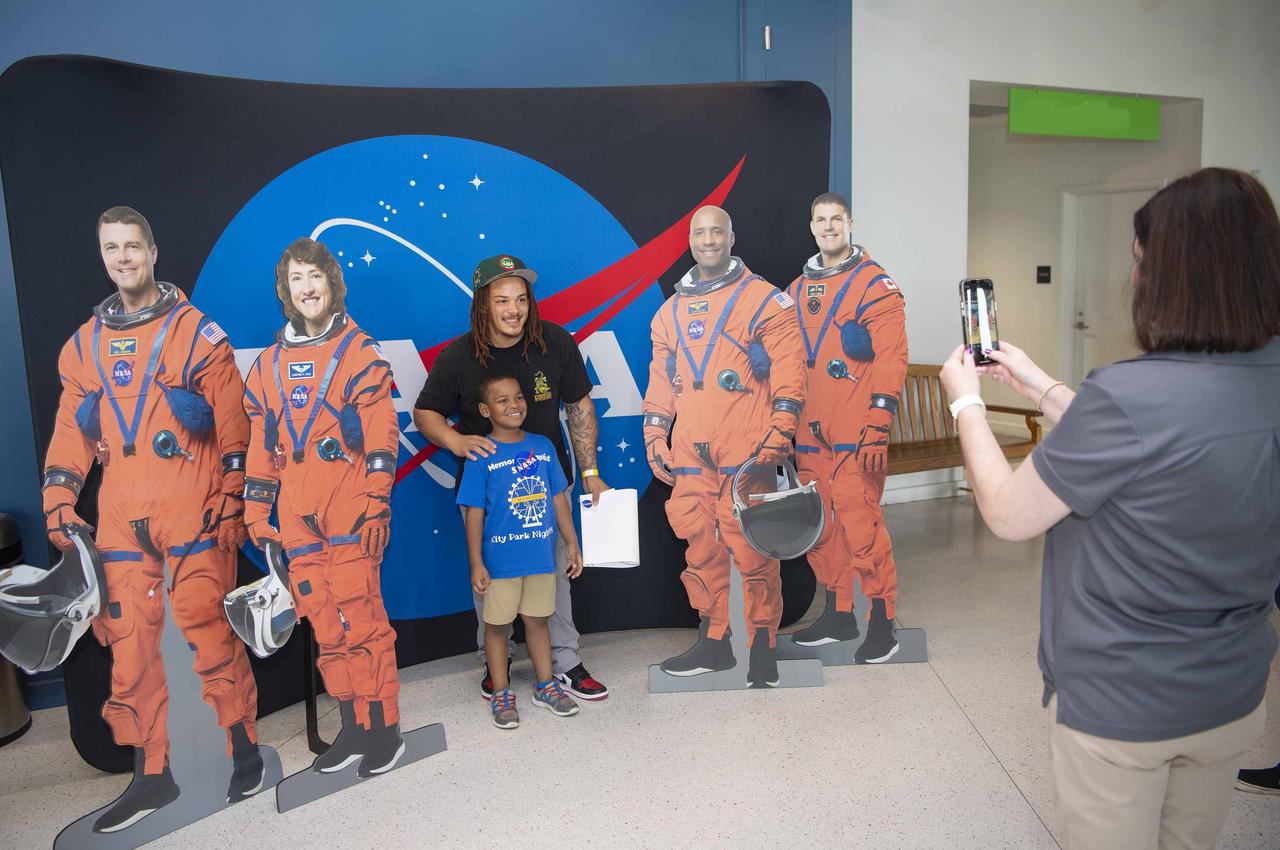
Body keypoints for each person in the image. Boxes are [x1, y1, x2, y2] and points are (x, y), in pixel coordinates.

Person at [939, 167, 1280, 849]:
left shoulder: (1128, 396)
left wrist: (966, 402)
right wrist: (1040, 384)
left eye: (1139, 262)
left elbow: (1009, 514)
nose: (1132, 281)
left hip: (1123, 705)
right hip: (1232, 692)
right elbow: (1162, 446)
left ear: (1175, 275)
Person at [42, 206, 262, 832]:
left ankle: (240, 748)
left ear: (154, 251)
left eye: (132, 246)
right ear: (103, 255)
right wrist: (60, 497)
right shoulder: (85, 344)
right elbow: (69, 432)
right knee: (129, 648)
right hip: (121, 511)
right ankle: (153, 773)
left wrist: (231, 488)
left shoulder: (196, 333)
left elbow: (232, 420)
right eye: (111, 248)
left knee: (207, 626)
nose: (122, 258)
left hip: (190, 503)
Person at [413, 254, 609, 701]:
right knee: (490, 583)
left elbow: (579, 408)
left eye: (521, 299)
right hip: (486, 499)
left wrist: (591, 471)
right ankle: (494, 664)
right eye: (502, 300)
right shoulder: (458, 356)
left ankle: (566, 662)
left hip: (546, 489)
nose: (513, 309)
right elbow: (424, 412)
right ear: (483, 303)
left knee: (555, 576)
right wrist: (456, 441)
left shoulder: (556, 343)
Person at [242, 238, 404, 777]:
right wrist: (257, 515)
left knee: (361, 619)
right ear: (285, 291)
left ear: (332, 282)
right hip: (297, 514)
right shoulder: (267, 365)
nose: (307, 288)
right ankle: (354, 726)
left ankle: (385, 730)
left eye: (315, 277)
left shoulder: (360, 353)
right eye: (296, 280)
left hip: (350, 506)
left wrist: (377, 501)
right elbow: (263, 446)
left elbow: (383, 435)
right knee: (325, 625)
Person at [643, 205, 806, 687]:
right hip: (691, 449)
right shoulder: (669, 311)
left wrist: (783, 426)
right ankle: (716, 641)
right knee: (701, 547)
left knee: (751, 551)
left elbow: (790, 369)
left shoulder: (765, 301)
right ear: (689, 240)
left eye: (718, 231)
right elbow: (661, 380)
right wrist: (655, 432)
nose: (709, 239)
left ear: (732, 237)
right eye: (700, 232)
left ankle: (761, 649)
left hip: (747, 445)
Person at [784, 192, 908, 661]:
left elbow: (894, 356)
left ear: (850, 223)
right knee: (822, 524)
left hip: (857, 426)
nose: (829, 227)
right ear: (811, 226)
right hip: (810, 428)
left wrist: (879, 421)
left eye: (837, 219)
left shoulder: (876, 285)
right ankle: (840, 612)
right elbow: (784, 351)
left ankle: (881, 621)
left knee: (860, 520)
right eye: (821, 219)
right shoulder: (796, 289)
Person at [457, 374, 584, 728]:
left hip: (540, 558)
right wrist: (476, 562)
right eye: (502, 400)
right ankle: (501, 692)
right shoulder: (481, 455)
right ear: (485, 409)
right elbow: (474, 513)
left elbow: (558, 497)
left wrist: (571, 540)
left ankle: (545, 686)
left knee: (538, 622)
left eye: (518, 398)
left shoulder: (543, 446)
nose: (513, 405)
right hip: (500, 564)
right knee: (496, 628)